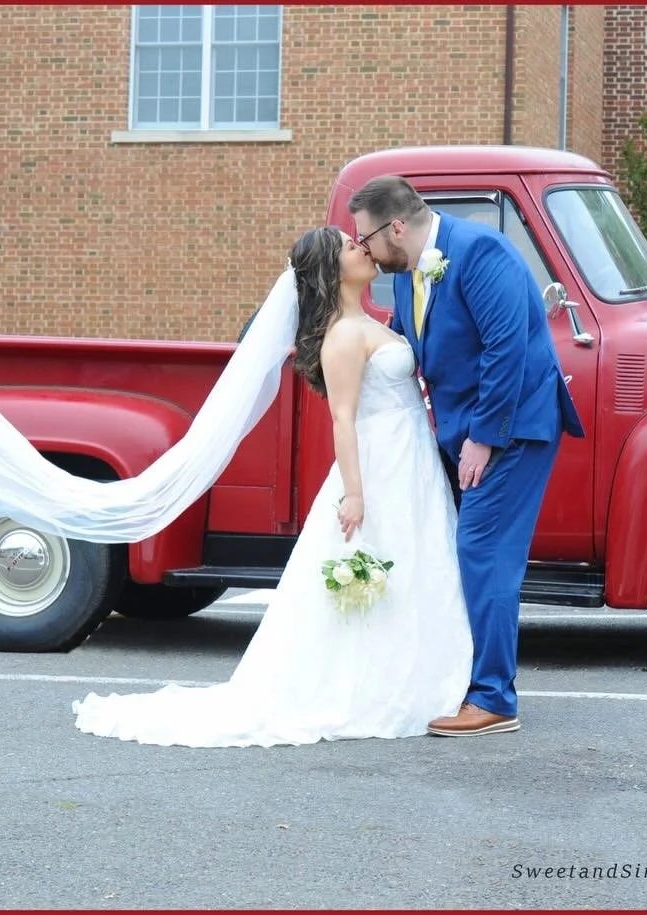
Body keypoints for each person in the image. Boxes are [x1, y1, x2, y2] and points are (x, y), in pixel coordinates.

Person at [70, 227, 473, 747]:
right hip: (380, 464)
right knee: (388, 562)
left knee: (419, 563)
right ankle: (387, 685)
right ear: (333, 271)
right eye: (351, 247)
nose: (362, 249)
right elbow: (343, 420)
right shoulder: (344, 336)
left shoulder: (366, 322)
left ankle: (425, 675)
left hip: (409, 461)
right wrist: (354, 493)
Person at [349, 177, 584, 738]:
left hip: (513, 429)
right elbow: (405, 348)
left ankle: (494, 698)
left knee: (485, 551)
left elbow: (507, 349)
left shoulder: (483, 253)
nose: (363, 249)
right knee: (468, 552)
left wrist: (484, 439)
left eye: (366, 238)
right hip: (461, 434)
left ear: (396, 227)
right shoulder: (407, 277)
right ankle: (467, 678)